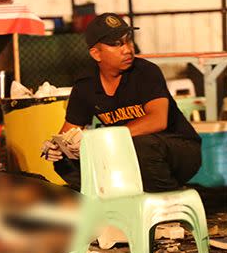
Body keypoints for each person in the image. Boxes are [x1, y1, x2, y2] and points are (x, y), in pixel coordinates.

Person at [41, 13, 201, 192]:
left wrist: (103, 139)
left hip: (179, 149)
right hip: (126, 149)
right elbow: (69, 131)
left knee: (141, 146)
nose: (127, 49)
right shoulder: (85, 85)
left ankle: (169, 200)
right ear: (96, 53)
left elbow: (158, 120)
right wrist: (57, 146)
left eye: (128, 41)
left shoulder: (146, 72)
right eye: (116, 44)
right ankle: (101, 200)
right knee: (65, 160)